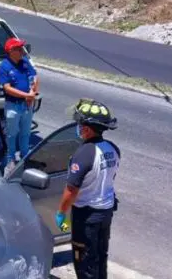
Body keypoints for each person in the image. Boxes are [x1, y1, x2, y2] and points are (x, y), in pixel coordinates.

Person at [55, 99, 120, 279]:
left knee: (84, 263)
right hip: (105, 212)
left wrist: (61, 213)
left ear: (88, 129)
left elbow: (72, 190)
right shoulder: (113, 149)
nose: (79, 127)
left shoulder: (84, 153)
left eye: (80, 124)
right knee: (100, 257)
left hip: (86, 217)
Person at [0, 37, 38, 170]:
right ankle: (10, 159)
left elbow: (35, 76)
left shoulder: (24, 62)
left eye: (21, 48)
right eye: (18, 48)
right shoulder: (3, 67)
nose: (21, 51)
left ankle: (25, 157)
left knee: (25, 133)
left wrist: (32, 91)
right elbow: (7, 88)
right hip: (13, 105)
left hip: (26, 105)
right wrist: (27, 95)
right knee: (12, 134)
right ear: (11, 51)